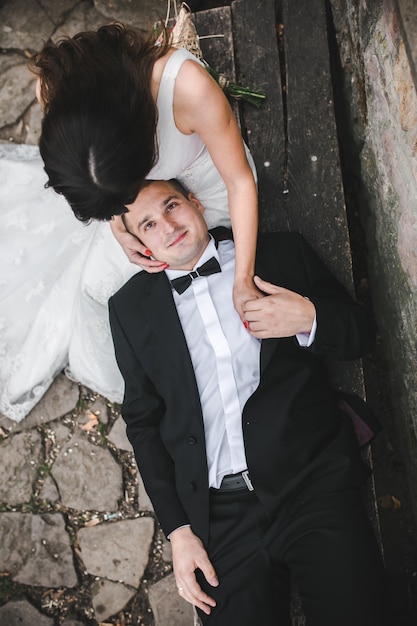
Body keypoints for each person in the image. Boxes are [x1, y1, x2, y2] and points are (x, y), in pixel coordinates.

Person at [109, 179, 389, 626]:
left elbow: (362, 332)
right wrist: (179, 531)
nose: (168, 226)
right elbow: (142, 423)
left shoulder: (279, 254)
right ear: (139, 244)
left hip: (310, 483)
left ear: (196, 203)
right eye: (148, 224)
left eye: (172, 206)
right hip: (219, 516)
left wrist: (308, 317)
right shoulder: (128, 309)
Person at [0, 22, 258, 422]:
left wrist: (243, 278)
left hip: (208, 190)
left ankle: (182, 384)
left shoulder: (187, 89)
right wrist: (119, 222)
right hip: (139, 205)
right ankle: (132, 383)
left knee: (140, 292)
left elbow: (239, 181)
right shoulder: (57, 88)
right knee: (95, 289)